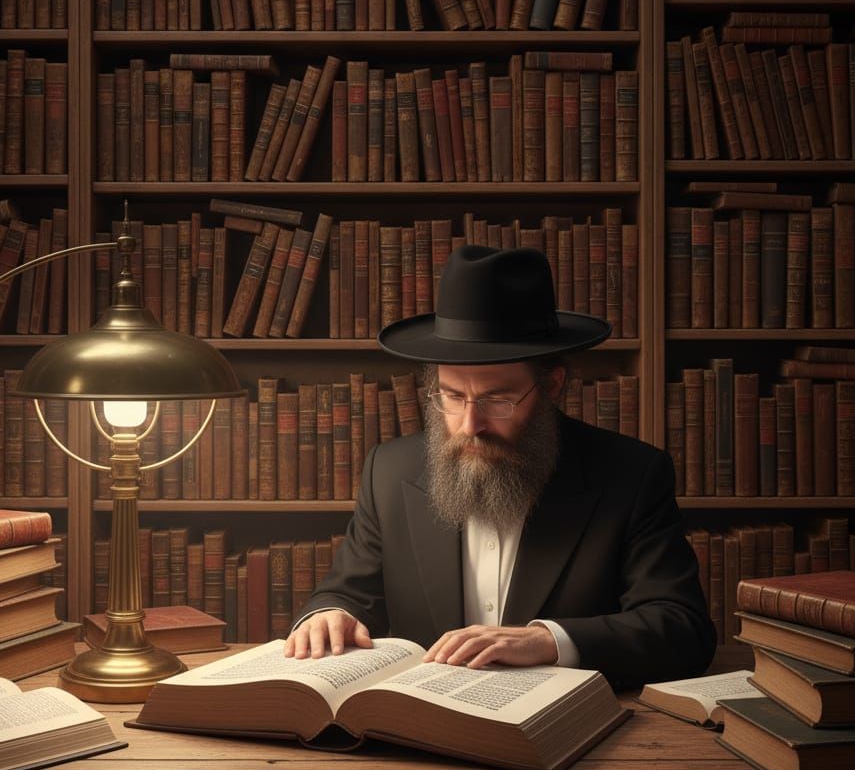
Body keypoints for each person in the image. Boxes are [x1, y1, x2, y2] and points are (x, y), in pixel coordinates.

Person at [284, 245, 716, 689]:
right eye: (452, 396)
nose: (471, 425)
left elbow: (682, 630)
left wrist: (548, 640)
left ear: (551, 385)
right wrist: (329, 614)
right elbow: (348, 594)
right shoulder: (389, 472)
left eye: (497, 400)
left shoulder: (631, 475)